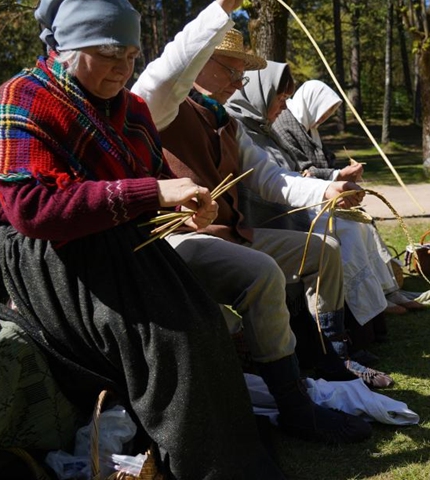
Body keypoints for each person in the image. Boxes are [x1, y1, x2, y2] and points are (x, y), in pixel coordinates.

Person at [0, 0, 286, 478]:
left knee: (198, 323)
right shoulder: (20, 97)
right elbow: (32, 211)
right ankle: (202, 459)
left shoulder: (130, 110)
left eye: (131, 55)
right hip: (32, 257)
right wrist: (153, 192)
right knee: (168, 335)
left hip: (114, 241)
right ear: (67, 48)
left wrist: (185, 206)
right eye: (109, 52)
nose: (123, 67)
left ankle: (220, 452)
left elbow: (150, 184)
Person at [131, 23, 394, 390]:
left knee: (325, 250)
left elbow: (272, 179)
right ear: (200, 62)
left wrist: (328, 188)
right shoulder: (164, 107)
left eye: (243, 74)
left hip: (234, 235)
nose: (239, 83)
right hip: (181, 241)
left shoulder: (229, 123)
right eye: (231, 70)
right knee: (264, 270)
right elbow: (163, 73)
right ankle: (288, 392)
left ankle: (332, 352)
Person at [269, 79, 422, 315]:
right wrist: (338, 174)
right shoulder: (285, 125)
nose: (325, 117)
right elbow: (299, 171)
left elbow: (324, 162)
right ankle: (368, 302)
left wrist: (343, 171)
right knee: (350, 229)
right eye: (325, 110)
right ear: (312, 103)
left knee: (364, 224)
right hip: (301, 205)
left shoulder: (307, 125)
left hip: (320, 199)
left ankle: (387, 291)